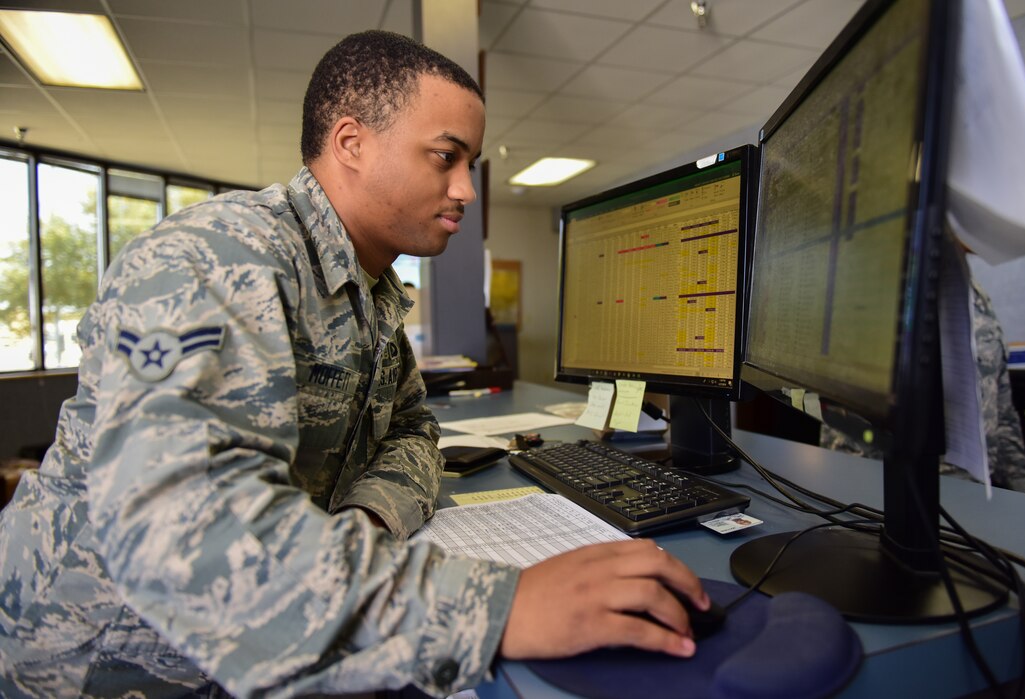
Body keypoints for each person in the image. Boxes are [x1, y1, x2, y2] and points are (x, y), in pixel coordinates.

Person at [0, 31, 708, 698]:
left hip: (263, 645)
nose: (466, 189)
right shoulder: (218, 256)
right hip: (98, 666)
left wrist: (369, 517)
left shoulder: (372, 297)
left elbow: (413, 434)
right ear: (351, 143)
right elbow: (187, 534)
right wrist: (502, 606)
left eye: (472, 166)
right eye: (446, 156)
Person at [821, 273, 1025, 495]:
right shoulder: (879, 286)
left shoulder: (973, 293)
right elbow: (851, 422)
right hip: (894, 495)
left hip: (972, 493)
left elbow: (1000, 409)